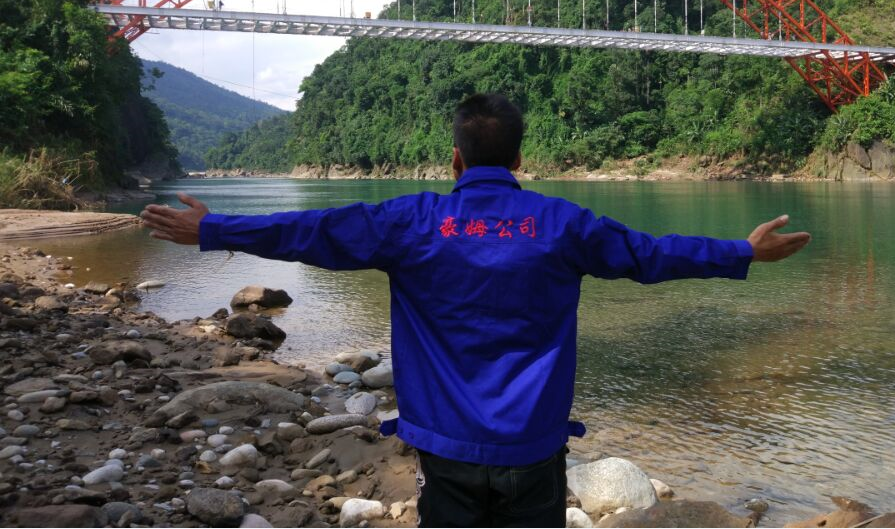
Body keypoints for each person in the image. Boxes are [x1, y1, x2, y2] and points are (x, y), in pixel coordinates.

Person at [141, 93, 810, 528]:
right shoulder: (562, 224)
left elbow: (311, 232)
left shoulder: (412, 222)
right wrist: (741, 251)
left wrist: (214, 228)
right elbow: (651, 255)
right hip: (534, 445)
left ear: (455, 159)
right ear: (520, 160)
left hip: (447, 446)